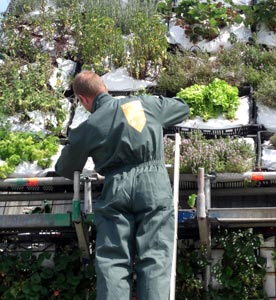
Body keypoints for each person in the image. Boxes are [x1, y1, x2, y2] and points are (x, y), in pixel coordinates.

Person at [55, 70, 190, 300]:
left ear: (83, 99)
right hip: (153, 185)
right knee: (155, 257)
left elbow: (65, 168)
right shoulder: (142, 105)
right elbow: (182, 108)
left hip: (116, 188)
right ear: (104, 87)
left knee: (113, 260)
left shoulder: (91, 125)